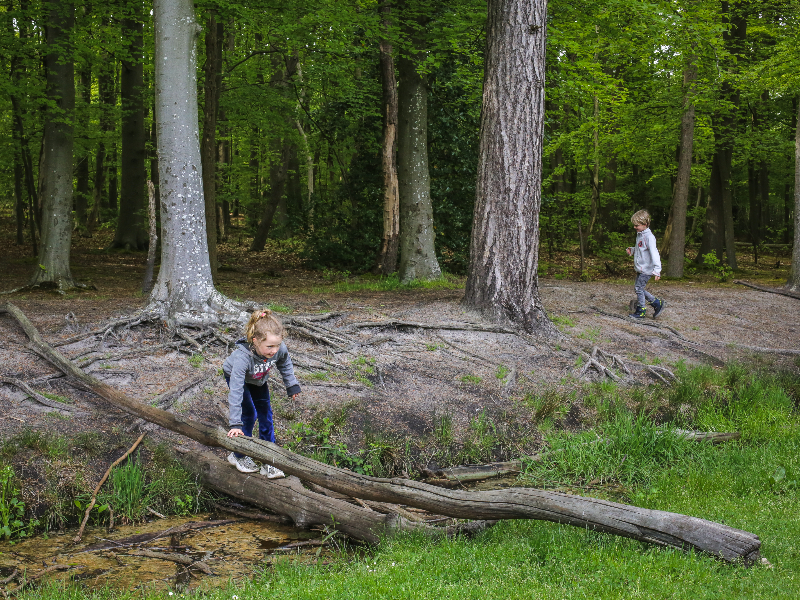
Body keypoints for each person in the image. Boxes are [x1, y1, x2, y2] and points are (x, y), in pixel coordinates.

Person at [222, 309, 301, 478]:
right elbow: (235, 390)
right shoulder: (243, 358)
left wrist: (292, 386)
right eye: (269, 346)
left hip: (258, 379)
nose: (274, 350)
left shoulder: (279, 349)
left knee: (265, 413)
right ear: (255, 341)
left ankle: (268, 459)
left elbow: (285, 364)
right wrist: (235, 423)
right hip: (238, 378)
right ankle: (239, 454)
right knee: (249, 413)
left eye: (277, 345)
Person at [626, 210, 666, 319]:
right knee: (639, 288)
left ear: (645, 224)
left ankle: (641, 311)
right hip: (640, 268)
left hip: (647, 269)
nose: (634, 227)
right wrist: (633, 250)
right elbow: (641, 249)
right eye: (634, 225)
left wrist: (657, 270)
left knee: (638, 288)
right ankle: (656, 303)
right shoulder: (640, 234)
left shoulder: (649, 237)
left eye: (636, 225)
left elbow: (654, 253)